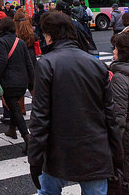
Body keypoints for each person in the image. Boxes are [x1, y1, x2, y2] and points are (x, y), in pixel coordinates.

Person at [28, 10, 122, 194]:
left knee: (48, 191)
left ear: (49, 36)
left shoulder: (46, 64)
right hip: (95, 150)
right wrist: (116, 155)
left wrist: (35, 158)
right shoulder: (96, 64)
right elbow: (110, 115)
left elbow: (40, 117)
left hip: (58, 150)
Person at [0, 17, 34, 151]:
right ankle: (12, 129)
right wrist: (32, 80)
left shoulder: (1, 41)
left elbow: (2, 62)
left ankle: (27, 137)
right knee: (14, 106)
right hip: (22, 81)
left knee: (15, 109)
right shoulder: (21, 42)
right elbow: (29, 63)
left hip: (9, 81)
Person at [110, 31, 129, 181]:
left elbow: (119, 118)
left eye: (115, 48)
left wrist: (115, 150)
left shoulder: (119, 78)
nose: (113, 51)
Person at [13, 8, 38, 115]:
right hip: (31, 58)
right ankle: (38, 106)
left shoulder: (15, 33)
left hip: (19, 60)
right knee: (32, 85)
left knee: (20, 86)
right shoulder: (30, 31)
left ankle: (22, 108)